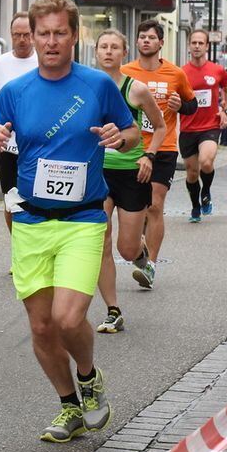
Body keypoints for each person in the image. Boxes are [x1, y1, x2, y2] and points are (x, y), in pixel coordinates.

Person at [0, 0, 140, 443]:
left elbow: (131, 132)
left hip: (84, 219)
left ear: (74, 36)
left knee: (68, 319)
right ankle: (69, 405)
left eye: (59, 33)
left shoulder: (97, 86)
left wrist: (118, 137)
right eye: (42, 33)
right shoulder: (15, 92)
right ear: (33, 35)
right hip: (31, 222)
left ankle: (88, 377)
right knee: (42, 326)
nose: (50, 42)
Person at [93, 29, 166, 333]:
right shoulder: (86, 87)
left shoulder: (136, 89)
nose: (108, 52)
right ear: (96, 52)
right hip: (98, 171)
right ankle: (113, 309)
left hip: (131, 172)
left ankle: (141, 255)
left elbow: (159, 127)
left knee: (126, 248)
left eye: (114, 47)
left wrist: (148, 155)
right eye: (103, 47)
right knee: (101, 242)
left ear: (124, 53)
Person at [121, 20, 197, 285]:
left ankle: (150, 265)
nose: (146, 41)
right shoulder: (125, 71)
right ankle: (137, 246)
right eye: (142, 37)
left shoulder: (175, 74)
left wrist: (181, 105)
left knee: (155, 205)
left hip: (162, 147)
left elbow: (192, 104)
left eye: (151, 37)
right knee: (137, 206)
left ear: (161, 43)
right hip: (131, 148)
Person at [0, 12, 39, 233]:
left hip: (39, 143)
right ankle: (18, 252)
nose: (22, 39)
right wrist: (2, 100)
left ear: (34, 35)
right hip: (8, 143)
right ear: (10, 35)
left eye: (26, 34)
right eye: (17, 35)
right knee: (11, 199)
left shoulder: (43, 62)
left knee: (36, 198)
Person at [180, 29, 227, 222]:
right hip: (187, 128)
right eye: (193, 43)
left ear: (207, 46)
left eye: (200, 43)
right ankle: (195, 206)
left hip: (210, 125)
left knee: (206, 162)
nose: (196, 46)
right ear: (189, 45)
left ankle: (207, 192)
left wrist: (225, 111)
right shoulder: (181, 72)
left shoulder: (217, 70)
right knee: (192, 172)